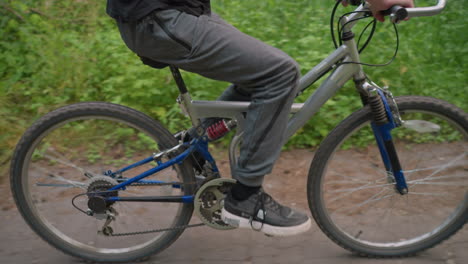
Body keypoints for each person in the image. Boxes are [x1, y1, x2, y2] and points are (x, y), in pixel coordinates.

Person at [106, 0, 414, 236]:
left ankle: (193, 147)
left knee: (260, 72)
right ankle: (245, 198)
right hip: (158, 17)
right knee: (279, 73)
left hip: (166, 12)